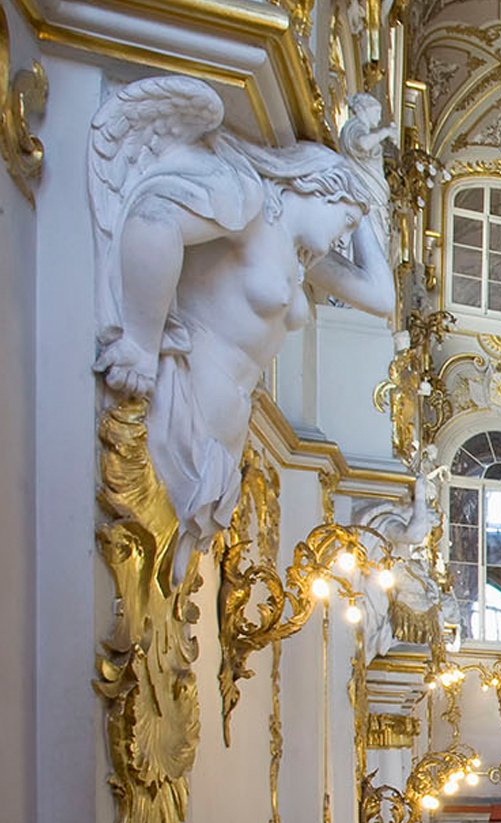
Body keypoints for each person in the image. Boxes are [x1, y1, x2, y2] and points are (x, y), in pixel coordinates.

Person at [91, 77, 395, 569]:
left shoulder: (301, 258)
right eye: (344, 220)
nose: (343, 232)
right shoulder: (247, 201)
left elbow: (381, 297)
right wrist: (143, 344)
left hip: (220, 441)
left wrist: (357, 193)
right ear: (317, 187)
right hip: (174, 404)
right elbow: (152, 219)